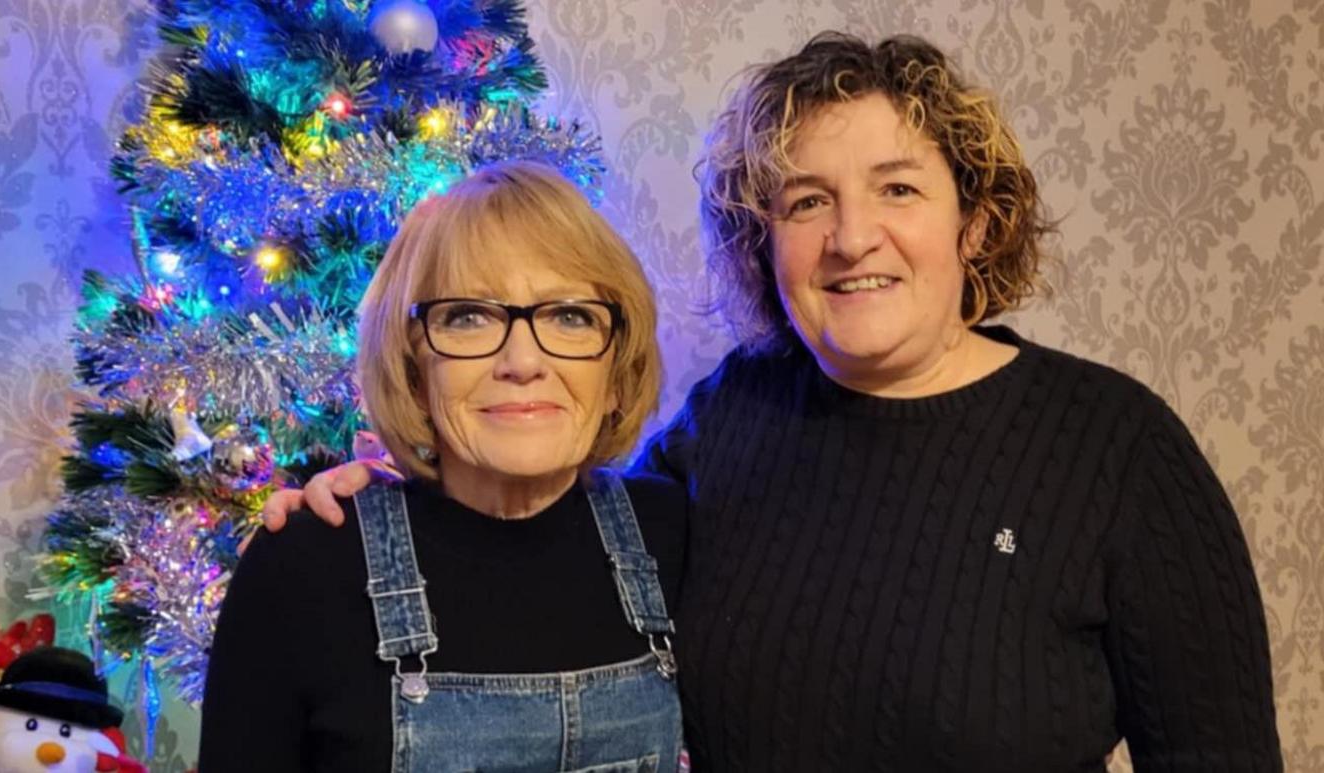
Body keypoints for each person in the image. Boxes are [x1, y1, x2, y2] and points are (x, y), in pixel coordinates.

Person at [262, 33, 1283, 771]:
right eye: (805, 201)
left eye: (896, 188)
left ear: (974, 222)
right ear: (766, 239)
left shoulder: (1115, 449)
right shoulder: (727, 420)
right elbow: (553, 526)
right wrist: (404, 484)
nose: (849, 237)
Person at [198, 161, 688, 772]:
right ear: (413, 369)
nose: (522, 361)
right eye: (468, 316)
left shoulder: (674, 538)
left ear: (616, 370)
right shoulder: (306, 567)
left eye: (570, 315)